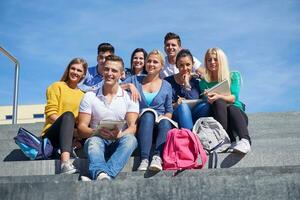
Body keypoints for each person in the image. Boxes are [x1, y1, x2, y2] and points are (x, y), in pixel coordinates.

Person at [77, 55, 139, 181]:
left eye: (114, 71)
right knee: (93, 141)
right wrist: (97, 132)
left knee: (131, 140)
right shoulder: (89, 96)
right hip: (97, 140)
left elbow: (132, 127)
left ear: (122, 74)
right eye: (107, 69)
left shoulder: (129, 97)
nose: (109, 73)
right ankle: (102, 174)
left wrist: (119, 135)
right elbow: (81, 128)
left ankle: (103, 174)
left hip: (119, 141)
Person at [123, 50, 174, 171]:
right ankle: (144, 159)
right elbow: (113, 88)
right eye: (149, 61)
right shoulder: (135, 80)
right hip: (141, 122)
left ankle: (157, 157)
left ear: (161, 66)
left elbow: (169, 110)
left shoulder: (166, 85)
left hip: (160, 125)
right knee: (148, 114)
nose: (151, 64)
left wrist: (165, 117)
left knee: (166, 121)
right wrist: (129, 86)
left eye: (155, 62)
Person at [199, 47, 251, 154]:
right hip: (218, 116)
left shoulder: (233, 76)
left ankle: (245, 140)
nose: (212, 62)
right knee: (218, 102)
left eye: (215, 59)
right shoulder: (203, 82)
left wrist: (218, 96)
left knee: (230, 107)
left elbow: (233, 98)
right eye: (209, 60)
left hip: (236, 116)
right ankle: (226, 140)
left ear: (221, 61)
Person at [42, 58, 88, 174]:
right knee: (68, 116)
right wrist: (70, 129)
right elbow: (51, 114)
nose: (75, 72)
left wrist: (77, 133)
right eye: (73, 68)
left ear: (83, 75)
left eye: (79, 70)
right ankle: (65, 163)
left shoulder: (84, 95)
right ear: (68, 70)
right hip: (52, 134)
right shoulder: (57, 86)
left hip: (72, 135)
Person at [165, 49, 210, 130]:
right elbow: (164, 105)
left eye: (188, 65)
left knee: (206, 105)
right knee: (183, 107)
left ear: (192, 64)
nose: (185, 68)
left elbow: (194, 99)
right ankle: (190, 138)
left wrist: (187, 84)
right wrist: (175, 105)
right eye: (181, 65)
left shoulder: (196, 81)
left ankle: (198, 132)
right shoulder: (168, 82)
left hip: (194, 114)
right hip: (177, 115)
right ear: (176, 65)